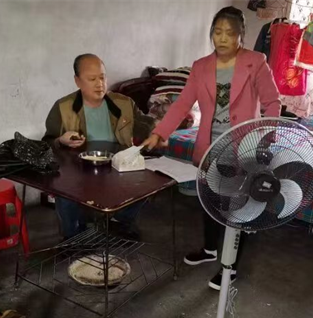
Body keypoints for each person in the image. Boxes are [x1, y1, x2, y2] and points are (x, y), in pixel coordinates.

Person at [143, 6, 281, 290]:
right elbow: (182, 103)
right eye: (217, 32)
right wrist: (159, 133)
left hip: (244, 145)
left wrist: (266, 136)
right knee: (209, 199)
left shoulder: (256, 62)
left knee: (236, 207)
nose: (223, 38)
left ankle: (230, 267)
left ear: (241, 35)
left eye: (230, 33)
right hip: (210, 145)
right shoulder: (201, 66)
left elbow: (272, 102)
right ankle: (209, 250)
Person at [43, 54, 155, 240]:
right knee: (64, 189)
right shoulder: (63, 108)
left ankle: (120, 221)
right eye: (92, 79)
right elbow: (46, 144)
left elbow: (146, 125)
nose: (99, 84)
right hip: (78, 170)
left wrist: (159, 130)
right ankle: (73, 237)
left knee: (147, 181)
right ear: (77, 81)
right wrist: (61, 141)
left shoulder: (124, 104)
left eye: (102, 77)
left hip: (116, 168)